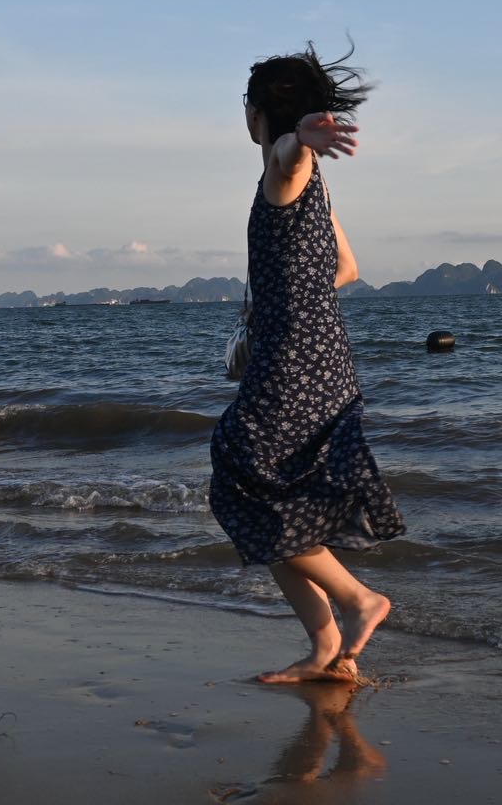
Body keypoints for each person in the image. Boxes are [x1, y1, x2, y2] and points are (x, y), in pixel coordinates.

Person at [209, 42, 405, 684]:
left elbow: (286, 159)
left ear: (258, 115)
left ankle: (357, 602)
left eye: (248, 108)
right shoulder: (317, 188)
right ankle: (324, 645)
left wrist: (297, 140)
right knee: (269, 493)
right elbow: (347, 268)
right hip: (327, 359)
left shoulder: (287, 173)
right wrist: (281, 294)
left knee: (238, 472)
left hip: (294, 360)